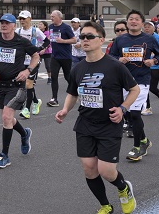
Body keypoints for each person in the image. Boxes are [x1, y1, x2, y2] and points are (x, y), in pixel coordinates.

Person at [54, 21, 138, 214]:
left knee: (107, 171)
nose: (85, 40)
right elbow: (73, 93)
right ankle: (105, 205)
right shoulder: (78, 68)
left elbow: (134, 89)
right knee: (89, 169)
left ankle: (123, 187)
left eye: (89, 36)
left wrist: (123, 108)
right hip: (85, 123)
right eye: (82, 36)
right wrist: (65, 109)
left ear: (101, 40)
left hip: (109, 123)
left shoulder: (115, 66)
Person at [0, 13, 40, 169]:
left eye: (7, 23)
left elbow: (36, 56)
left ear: (14, 25)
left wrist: (28, 71)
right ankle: (24, 134)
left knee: (6, 117)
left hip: (16, 86)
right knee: (7, 118)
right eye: (2, 22)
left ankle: (4, 156)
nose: (4, 25)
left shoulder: (21, 42)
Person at [108, 10, 159, 161]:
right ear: (127, 22)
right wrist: (119, 59)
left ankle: (137, 147)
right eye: (131, 19)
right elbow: (111, 56)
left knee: (134, 113)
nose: (133, 21)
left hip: (141, 80)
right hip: (123, 81)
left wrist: (153, 61)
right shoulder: (120, 40)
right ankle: (145, 141)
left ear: (142, 23)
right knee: (127, 113)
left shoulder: (149, 39)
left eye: (136, 19)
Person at [15, 10, 48, 119]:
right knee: (25, 86)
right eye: (20, 18)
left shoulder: (36, 31)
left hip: (33, 61)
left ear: (30, 19)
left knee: (28, 84)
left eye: (24, 18)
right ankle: (36, 101)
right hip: (21, 62)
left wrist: (39, 49)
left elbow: (47, 41)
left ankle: (26, 109)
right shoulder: (18, 31)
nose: (22, 21)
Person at [47, 10, 77, 107]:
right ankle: (54, 98)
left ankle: (75, 92)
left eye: (53, 17)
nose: (51, 18)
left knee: (67, 77)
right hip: (55, 56)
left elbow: (74, 40)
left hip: (65, 57)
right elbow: (51, 39)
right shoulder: (51, 27)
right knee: (54, 77)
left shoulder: (66, 27)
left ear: (60, 18)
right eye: (51, 16)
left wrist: (63, 41)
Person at [142, 22, 159, 114]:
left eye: (149, 27)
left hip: (155, 66)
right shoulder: (141, 38)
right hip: (143, 66)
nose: (146, 28)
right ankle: (148, 108)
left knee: (152, 88)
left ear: (154, 28)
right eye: (145, 27)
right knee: (144, 87)